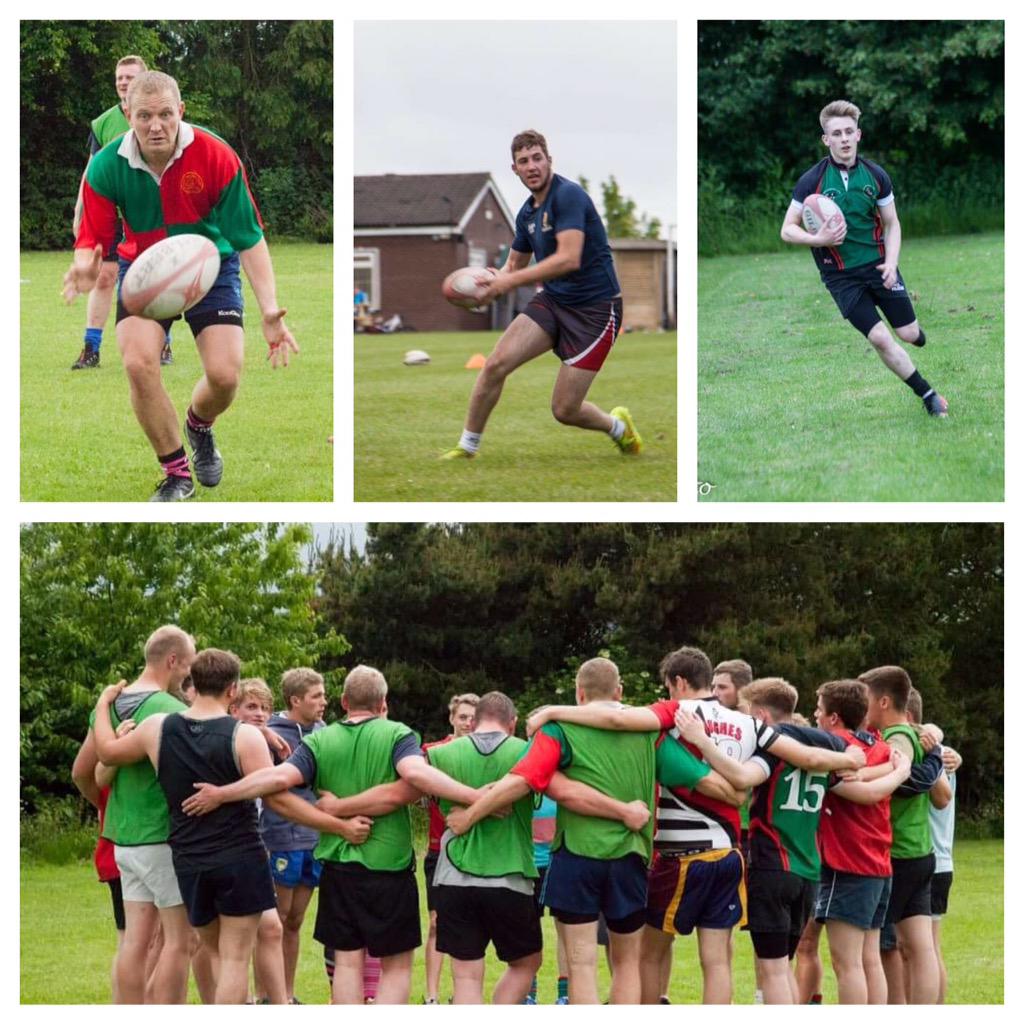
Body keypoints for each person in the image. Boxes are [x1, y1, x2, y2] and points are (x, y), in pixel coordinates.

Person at [527, 647, 865, 1005]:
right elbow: (807, 756)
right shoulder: (748, 722)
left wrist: (552, 710)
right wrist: (848, 758)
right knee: (717, 960)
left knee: (648, 952)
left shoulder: (676, 714)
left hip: (679, 853)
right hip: (729, 852)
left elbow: (617, 720)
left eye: (668, 686)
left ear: (679, 682)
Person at [178, 665, 493, 1004]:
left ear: (344, 701)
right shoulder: (398, 735)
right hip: (389, 869)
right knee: (397, 967)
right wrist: (478, 798)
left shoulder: (319, 740)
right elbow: (415, 775)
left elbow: (277, 780)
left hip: (338, 869)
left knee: (346, 963)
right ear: (383, 702)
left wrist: (223, 793)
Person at [449, 657, 743, 1005]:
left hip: (576, 857)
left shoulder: (558, 729)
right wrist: (739, 790)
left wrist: (470, 816)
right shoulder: (649, 733)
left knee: (581, 964)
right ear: (619, 690)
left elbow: (521, 781)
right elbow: (706, 781)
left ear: (579, 694)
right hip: (631, 859)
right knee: (627, 962)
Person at [63, 70, 299, 501]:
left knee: (225, 376)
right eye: (145, 116)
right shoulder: (105, 166)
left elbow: (248, 238)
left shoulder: (215, 155)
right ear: (127, 115)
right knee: (137, 363)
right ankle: (177, 474)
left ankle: (199, 426)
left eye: (166, 115)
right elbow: (92, 239)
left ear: (181, 112)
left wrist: (269, 308)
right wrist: (83, 265)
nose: (156, 125)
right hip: (145, 271)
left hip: (213, 265)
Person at [91, 649, 357, 1004]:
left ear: (194, 683)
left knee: (213, 953)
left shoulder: (157, 728)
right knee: (234, 959)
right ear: (233, 690)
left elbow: (107, 753)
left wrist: (103, 704)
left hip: (188, 859)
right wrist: (335, 825)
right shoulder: (245, 737)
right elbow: (278, 800)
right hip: (239, 859)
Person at [675, 677, 911, 1004]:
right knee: (784, 967)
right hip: (809, 872)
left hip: (773, 865)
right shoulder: (827, 747)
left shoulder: (773, 751)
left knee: (772, 970)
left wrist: (702, 741)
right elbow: (859, 783)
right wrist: (897, 769)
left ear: (761, 717)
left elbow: (743, 778)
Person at [440, 130, 641, 460]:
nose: (532, 166)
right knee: (494, 366)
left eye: (537, 158)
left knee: (564, 409)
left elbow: (568, 258)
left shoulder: (569, 197)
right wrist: (488, 285)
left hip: (595, 311)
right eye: (524, 161)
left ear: (549, 161)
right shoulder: (526, 214)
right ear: (515, 169)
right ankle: (467, 447)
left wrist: (510, 281)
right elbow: (512, 266)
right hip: (554, 301)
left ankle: (618, 427)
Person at [780, 100, 948, 418]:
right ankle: (928, 395)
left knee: (909, 336)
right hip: (841, 277)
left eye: (848, 132)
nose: (843, 139)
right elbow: (787, 230)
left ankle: (914, 333)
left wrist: (892, 262)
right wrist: (817, 239)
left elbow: (892, 223)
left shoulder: (876, 176)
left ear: (858, 135)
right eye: (836, 133)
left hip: (879, 265)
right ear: (825, 139)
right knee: (881, 339)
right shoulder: (811, 181)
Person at [73, 625, 195, 1003]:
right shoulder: (171, 711)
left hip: (123, 840)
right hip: (161, 838)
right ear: (172, 661)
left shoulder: (109, 707)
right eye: (187, 667)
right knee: (181, 940)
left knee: (135, 942)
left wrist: (107, 809)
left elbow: (83, 773)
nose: (188, 676)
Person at [70, 55, 174, 370]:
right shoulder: (103, 123)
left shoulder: (160, 117)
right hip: (109, 210)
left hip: (148, 212)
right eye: (119, 78)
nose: (123, 83)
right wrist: (79, 209)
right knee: (104, 277)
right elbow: (92, 171)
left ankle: (163, 341)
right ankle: (91, 348)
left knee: (159, 276)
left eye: (130, 77)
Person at [861, 666, 951, 1004]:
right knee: (920, 944)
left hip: (896, 854)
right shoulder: (916, 735)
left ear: (883, 701)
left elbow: (905, 782)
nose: (862, 705)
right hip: (920, 852)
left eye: (865, 698)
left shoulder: (897, 738)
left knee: (886, 949)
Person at [260, 668, 329, 1004]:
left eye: (324, 695)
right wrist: (261, 729)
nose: (324, 702)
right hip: (279, 837)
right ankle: (265, 997)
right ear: (295, 700)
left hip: (314, 839)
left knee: (295, 921)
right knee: (276, 920)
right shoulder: (269, 731)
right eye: (317, 696)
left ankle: (287, 995)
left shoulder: (324, 731)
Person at [228, 678, 288, 1004]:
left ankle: (272, 1001)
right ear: (233, 707)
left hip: (254, 844)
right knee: (241, 936)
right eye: (252, 707)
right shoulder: (229, 741)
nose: (261, 714)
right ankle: (251, 1000)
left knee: (270, 928)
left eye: (265, 708)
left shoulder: (261, 742)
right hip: (231, 847)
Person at [421, 693, 480, 1004]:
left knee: (467, 926)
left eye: (473, 718)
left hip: (473, 848)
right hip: (437, 849)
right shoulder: (433, 752)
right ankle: (431, 996)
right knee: (435, 922)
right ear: (451, 719)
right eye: (463, 717)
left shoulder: (486, 752)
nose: (468, 723)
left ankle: (462, 996)